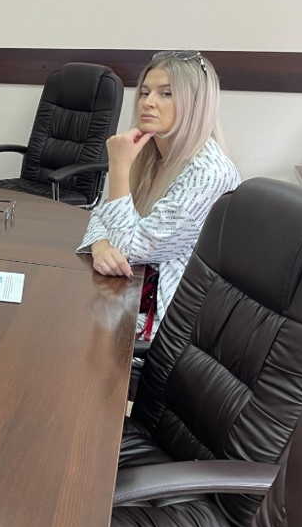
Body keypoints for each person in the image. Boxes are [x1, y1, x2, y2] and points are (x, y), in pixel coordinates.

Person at [77, 50, 241, 340]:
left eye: (166, 93)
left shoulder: (209, 174)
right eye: (145, 92)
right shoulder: (150, 153)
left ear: (196, 105)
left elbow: (130, 247)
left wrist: (118, 168)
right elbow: (102, 214)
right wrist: (100, 246)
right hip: (131, 293)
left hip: (167, 325)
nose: (148, 102)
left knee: (61, 334)